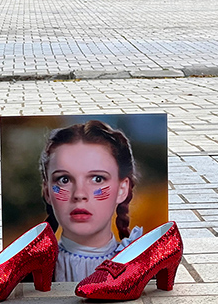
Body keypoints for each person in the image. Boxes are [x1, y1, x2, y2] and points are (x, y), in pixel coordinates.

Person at [40, 120, 142, 282]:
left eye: (97, 178)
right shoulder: (26, 276)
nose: (79, 194)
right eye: (64, 179)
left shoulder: (141, 268)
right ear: (47, 191)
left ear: (122, 189)